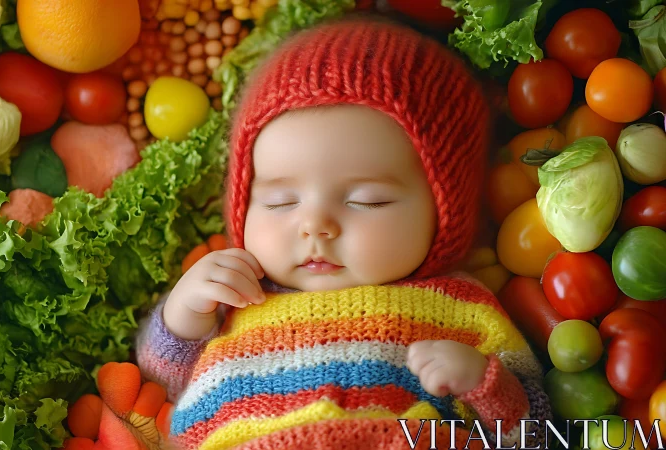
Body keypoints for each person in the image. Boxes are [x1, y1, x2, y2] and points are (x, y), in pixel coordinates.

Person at [136, 15, 552, 450]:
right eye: (280, 202)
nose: (315, 225)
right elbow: (162, 380)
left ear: (445, 210)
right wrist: (183, 316)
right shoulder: (236, 292)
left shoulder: (459, 308)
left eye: (368, 200)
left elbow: (535, 433)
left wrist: (484, 383)